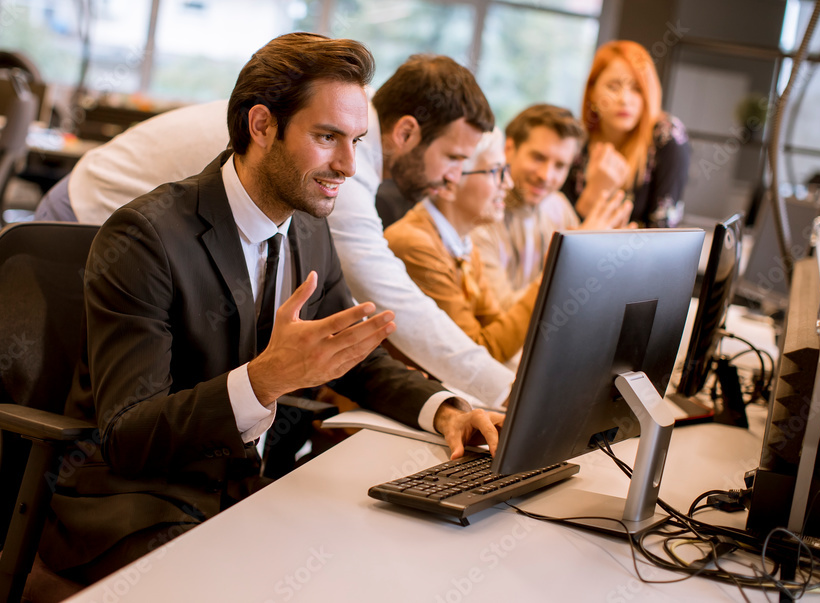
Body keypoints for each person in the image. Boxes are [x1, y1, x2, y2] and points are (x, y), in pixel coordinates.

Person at [39, 33, 502, 584]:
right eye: (328, 137)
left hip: (240, 489)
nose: (350, 165)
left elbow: (357, 356)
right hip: (135, 502)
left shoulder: (308, 227)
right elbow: (128, 437)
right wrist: (264, 380)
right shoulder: (144, 238)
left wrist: (447, 409)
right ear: (261, 126)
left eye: (355, 140)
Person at [36, 54, 516, 406]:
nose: (455, 176)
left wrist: (446, 408)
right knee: (67, 410)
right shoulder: (325, 166)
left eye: (354, 142)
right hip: (88, 215)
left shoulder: (330, 154)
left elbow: (354, 339)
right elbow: (397, 305)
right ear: (407, 133)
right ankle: (32, 534)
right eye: (454, 157)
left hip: (157, 228)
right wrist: (504, 392)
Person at [384, 130, 540, 363]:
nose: (508, 184)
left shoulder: (463, 244)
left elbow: (499, 329)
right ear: (448, 183)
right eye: (496, 172)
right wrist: (544, 284)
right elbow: (481, 352)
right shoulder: (416, 245)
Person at [472, 104, 632, 310]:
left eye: (560, 166)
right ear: (508, 148)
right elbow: (501, 316)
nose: (546, 176)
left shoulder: (559, 206)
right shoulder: (478, 217)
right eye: (538, 157)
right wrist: (578, 257)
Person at [561, 40, 690, 228]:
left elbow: (663, 230)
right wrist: (593, 192)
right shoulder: (575, 141)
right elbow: (558, 226)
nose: (624, 99)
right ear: (592, 93)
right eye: (613, 87)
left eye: (637, 89)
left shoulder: (667, 137)